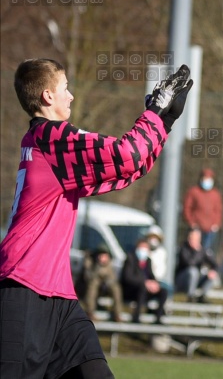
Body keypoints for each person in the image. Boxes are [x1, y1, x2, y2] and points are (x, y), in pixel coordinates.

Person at [0, 59, 192, 378]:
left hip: (58, 295)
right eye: (65, 88)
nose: (71, 95)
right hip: (25, 289)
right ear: (48, 96)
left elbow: (127, 167)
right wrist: (154, 112)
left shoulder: (48, 141)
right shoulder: (51, 136)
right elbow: (126, 154)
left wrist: (164, 121)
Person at [121, 239, 168, 324]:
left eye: (146, 248)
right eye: (142, 248)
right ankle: (136, 317)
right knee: (142, 288)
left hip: (145, 290)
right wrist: (144, 283)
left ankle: (158, 317)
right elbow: (128, 278)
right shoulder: (130, 258)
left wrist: (155, 284)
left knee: (164, 291)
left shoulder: (148, 260)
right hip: (131, 290)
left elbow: (151, 275)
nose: (144, 250)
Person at [183, 168, 223, 252]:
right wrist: (191, 222)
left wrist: (216, 224)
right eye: (205, 179)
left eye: (209, 179)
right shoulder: (194, 192)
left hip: (211, 229)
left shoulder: (215, 194)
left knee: (207, 251)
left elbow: (218, 210)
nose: (207, 181)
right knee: (194, 250)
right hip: (197, 227)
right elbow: (187, 208)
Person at [174, 228, 220, 303]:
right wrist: (197, 251)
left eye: (196, 239)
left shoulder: (202, 250)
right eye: (192, 238)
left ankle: (202, 296)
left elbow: (215, 264)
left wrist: (213, 271)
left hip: (196, 279)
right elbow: (190, 263)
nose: (193, 240)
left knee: (212, 275)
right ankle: (190, 296)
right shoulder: (183, 248)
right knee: (193, 271)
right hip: (182, 280)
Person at [83, 244, 123, 323]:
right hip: (94, 285)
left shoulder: (110, 264)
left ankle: (117, 313)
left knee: (116, 289)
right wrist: (98, 266)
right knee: (93, 286)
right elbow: (88, 277)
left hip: (106, 286)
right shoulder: (91, 262)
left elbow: (112, 278)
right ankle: (90, 312)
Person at [145, 224, 172, 295]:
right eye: (151, 237)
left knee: (168, 289)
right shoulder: (144, 251)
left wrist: (154, 282)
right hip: (145, 281)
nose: (153, 240)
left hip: (158, 281)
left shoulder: (162, 252)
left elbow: (161, 271)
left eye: (156, 237)